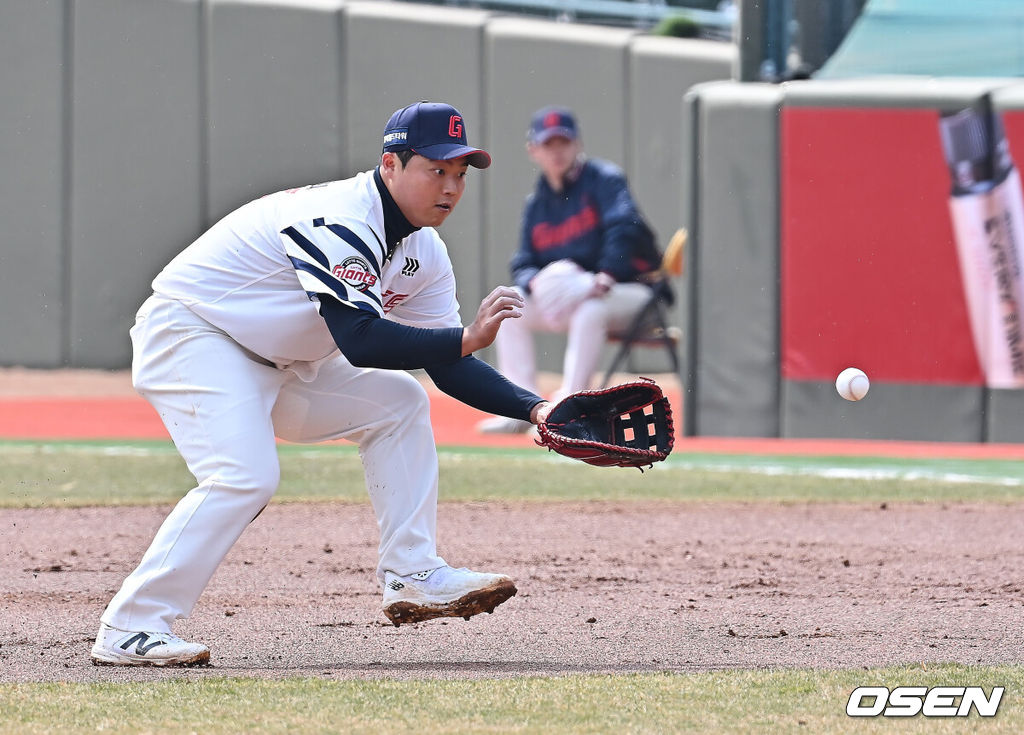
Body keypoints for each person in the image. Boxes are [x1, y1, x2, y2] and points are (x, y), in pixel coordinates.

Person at [90, 101, 550, 667]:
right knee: (243, 476)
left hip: (282, 363)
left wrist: (537, 410)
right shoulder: (340, 218)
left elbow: (447, 364)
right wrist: (465, 338)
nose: (451, 186)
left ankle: (413, 573)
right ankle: (131, 627)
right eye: (436, 169)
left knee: (399, 403)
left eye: (460, 173)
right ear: (390, 165)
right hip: (197, 334)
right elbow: (361, 340)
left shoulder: (423, 251)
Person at [477, 106, 662, 434]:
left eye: (563, 142)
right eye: (548, 144)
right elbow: (522, 261)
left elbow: (626, 228)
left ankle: (568, 412)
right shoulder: (537, 203)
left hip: (629, 292)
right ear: (533, 151)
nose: (557, 151)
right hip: (570, 295)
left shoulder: (605, 180)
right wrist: (534, 283)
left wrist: (606, 275)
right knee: (509, 304)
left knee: (590, 311)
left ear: (577, 144)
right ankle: (521, 407)